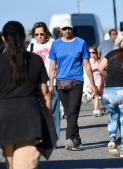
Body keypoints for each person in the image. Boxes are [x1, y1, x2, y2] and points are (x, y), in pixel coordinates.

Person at [0, 21, 51, 169]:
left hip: (4, 119)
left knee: (11, 164)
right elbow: (45, 94)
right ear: (23, 38)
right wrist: (48, 120)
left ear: (4, 38)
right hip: (29, 119)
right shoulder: (35, 60)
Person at [49, 20, 97, 151]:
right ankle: (77, 139)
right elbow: (52, 65)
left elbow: (86, 64)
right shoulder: (55, 44)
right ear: (60, 30)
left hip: (76, 81)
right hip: (60, 82)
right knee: (70, 113)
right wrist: (50, 84)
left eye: (69, 28)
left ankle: (69, 139)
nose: (67, 31)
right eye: (64, 29)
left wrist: (92, 84)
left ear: (72, 29)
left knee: (72, 111)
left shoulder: (81, 43)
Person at [26, 22, 61, 142]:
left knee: (53, 111)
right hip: (36, 83)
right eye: (36, 34)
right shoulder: (31, 45)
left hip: (52, 82)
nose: (39, 37)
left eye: (42, 34)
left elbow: (60, 60)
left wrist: (58, 71)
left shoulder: (53, 44)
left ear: (46, 33)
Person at [88, 46, 105, 117]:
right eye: (90, 52)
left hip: (98, 78)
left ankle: (95, 109)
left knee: (96, 93)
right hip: (91, 79)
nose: (91, 54)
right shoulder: (88, 61)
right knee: (95, 95)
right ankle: (98, 108)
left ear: (95, 53)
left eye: (93, 52)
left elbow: (101, 68)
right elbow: (87, 70)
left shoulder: (99, 60)